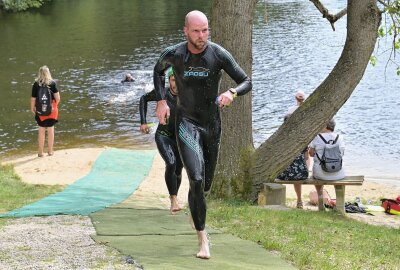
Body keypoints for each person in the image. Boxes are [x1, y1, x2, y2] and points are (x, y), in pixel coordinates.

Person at [153, 10, 252, 259]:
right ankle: (203, 240)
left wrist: (232, 93)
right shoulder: (175, 54)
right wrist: (162, 101)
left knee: (205, 185)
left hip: (212, 125)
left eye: (205, 30)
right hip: (186, 123)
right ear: (185, 31)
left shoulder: (218, 54)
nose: (202, 36)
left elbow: (246, 81)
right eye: (196, 31)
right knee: (195, 178)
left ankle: (195, 207)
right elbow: (157, 71)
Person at [139, 68, 183, 214]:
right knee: (171, 163)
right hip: (163, 135)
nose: (176, 84)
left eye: (178, 79)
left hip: (181, 137)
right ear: (169, 80)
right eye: (172, 80)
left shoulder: (188, 94)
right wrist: (143, 122)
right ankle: (174, 200)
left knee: (178, 169)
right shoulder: (162, 93)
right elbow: (143, 99)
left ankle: (174, 197)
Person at [309, 119, 345, 210]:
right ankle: (340, 205)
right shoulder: (340, 137)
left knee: (316, 171)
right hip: (339, 174)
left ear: (325, 126)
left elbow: (311, 154)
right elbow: (342, 154)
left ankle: (321, 204)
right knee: (337, 178)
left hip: (321, 175)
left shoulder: (317, 137)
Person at [277, 115, 309, 209]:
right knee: (298, 168)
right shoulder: (302, 138)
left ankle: (279, 200)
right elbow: (306, 157)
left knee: (280, 169)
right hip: (300, 174)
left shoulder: (279, 138)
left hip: (283, 174)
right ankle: (299, 200)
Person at [30, 65, 61, 157]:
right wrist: (54, 106)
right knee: (51, 130)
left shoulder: (36, 84)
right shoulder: (52, 83)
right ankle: (50, 151)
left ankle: (40, 152)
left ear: (39, 73)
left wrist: (32, 108)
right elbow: (57, 98)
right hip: (52, 110)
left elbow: (33, 99)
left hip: (40, 110)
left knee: (41, 130)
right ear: (48, 73)